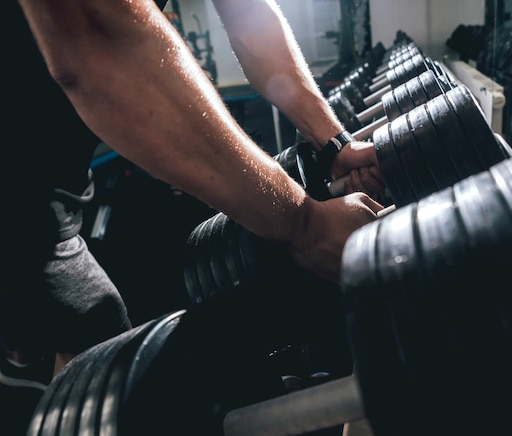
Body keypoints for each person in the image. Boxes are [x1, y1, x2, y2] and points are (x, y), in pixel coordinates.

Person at [2, 0, 386, 432]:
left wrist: (333, 145)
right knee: (105, 364)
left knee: (94, 352)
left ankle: (25, 359)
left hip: (50, 181)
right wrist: (304, 225)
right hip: (18, 193)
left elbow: (250, 17)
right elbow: (100, 36)